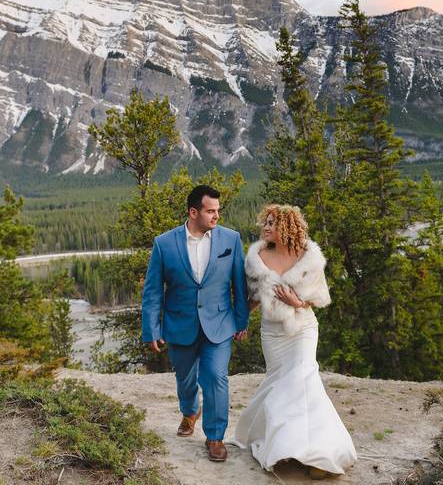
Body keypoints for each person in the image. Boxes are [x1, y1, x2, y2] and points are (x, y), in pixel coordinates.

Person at [233, 204, 357, 478]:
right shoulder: (257, 257)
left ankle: (319, 455)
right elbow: (252, 298)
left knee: (303, 380)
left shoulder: (309, 257)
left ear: (287, 227)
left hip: (302, 328)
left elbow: (320, 297)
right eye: (264, 223)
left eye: (271, 223)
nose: (265, 227)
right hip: (272, 333)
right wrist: (239, 322)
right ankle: (283, 447)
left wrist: (297, 302)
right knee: (279, 383)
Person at [141, 184, 250, 462]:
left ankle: (215, 437)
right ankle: (190, 410)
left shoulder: (231, 239)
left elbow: (240, 283)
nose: (216, 216)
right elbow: (153, 290)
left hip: (220, 323)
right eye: (210, 211)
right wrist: (151, 329)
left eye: (218, 210)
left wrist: (241, 320)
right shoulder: (164, 243)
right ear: (193, 212)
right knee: (185, 380)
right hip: (180, 324)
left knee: (216, 376)